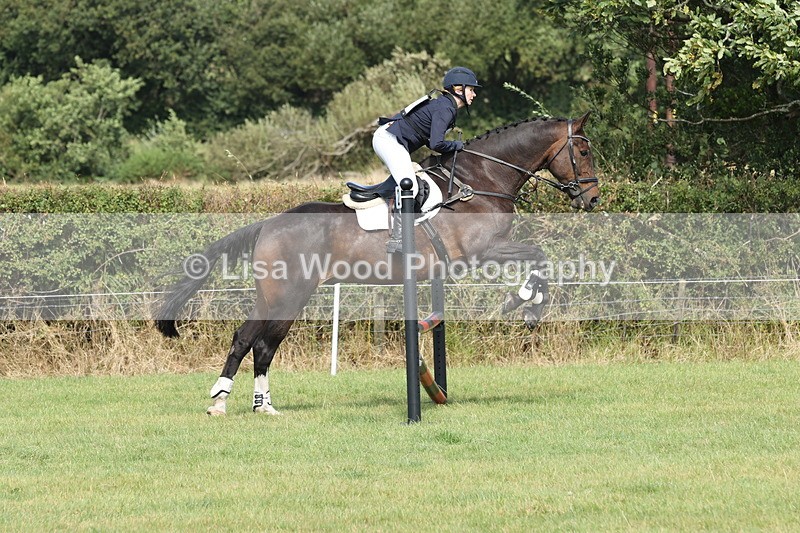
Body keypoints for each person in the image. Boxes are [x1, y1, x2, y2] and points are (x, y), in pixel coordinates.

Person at [373, 66, 480, 252]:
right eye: (471, 89)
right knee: (411, 186)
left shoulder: (446, 106)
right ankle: (399, 239)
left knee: (409, 182)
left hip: (392, 140)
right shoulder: (446, 108)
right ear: (458, 89)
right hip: (388, 140)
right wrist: (457, 145)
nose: (474, 94)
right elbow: (436, 144)